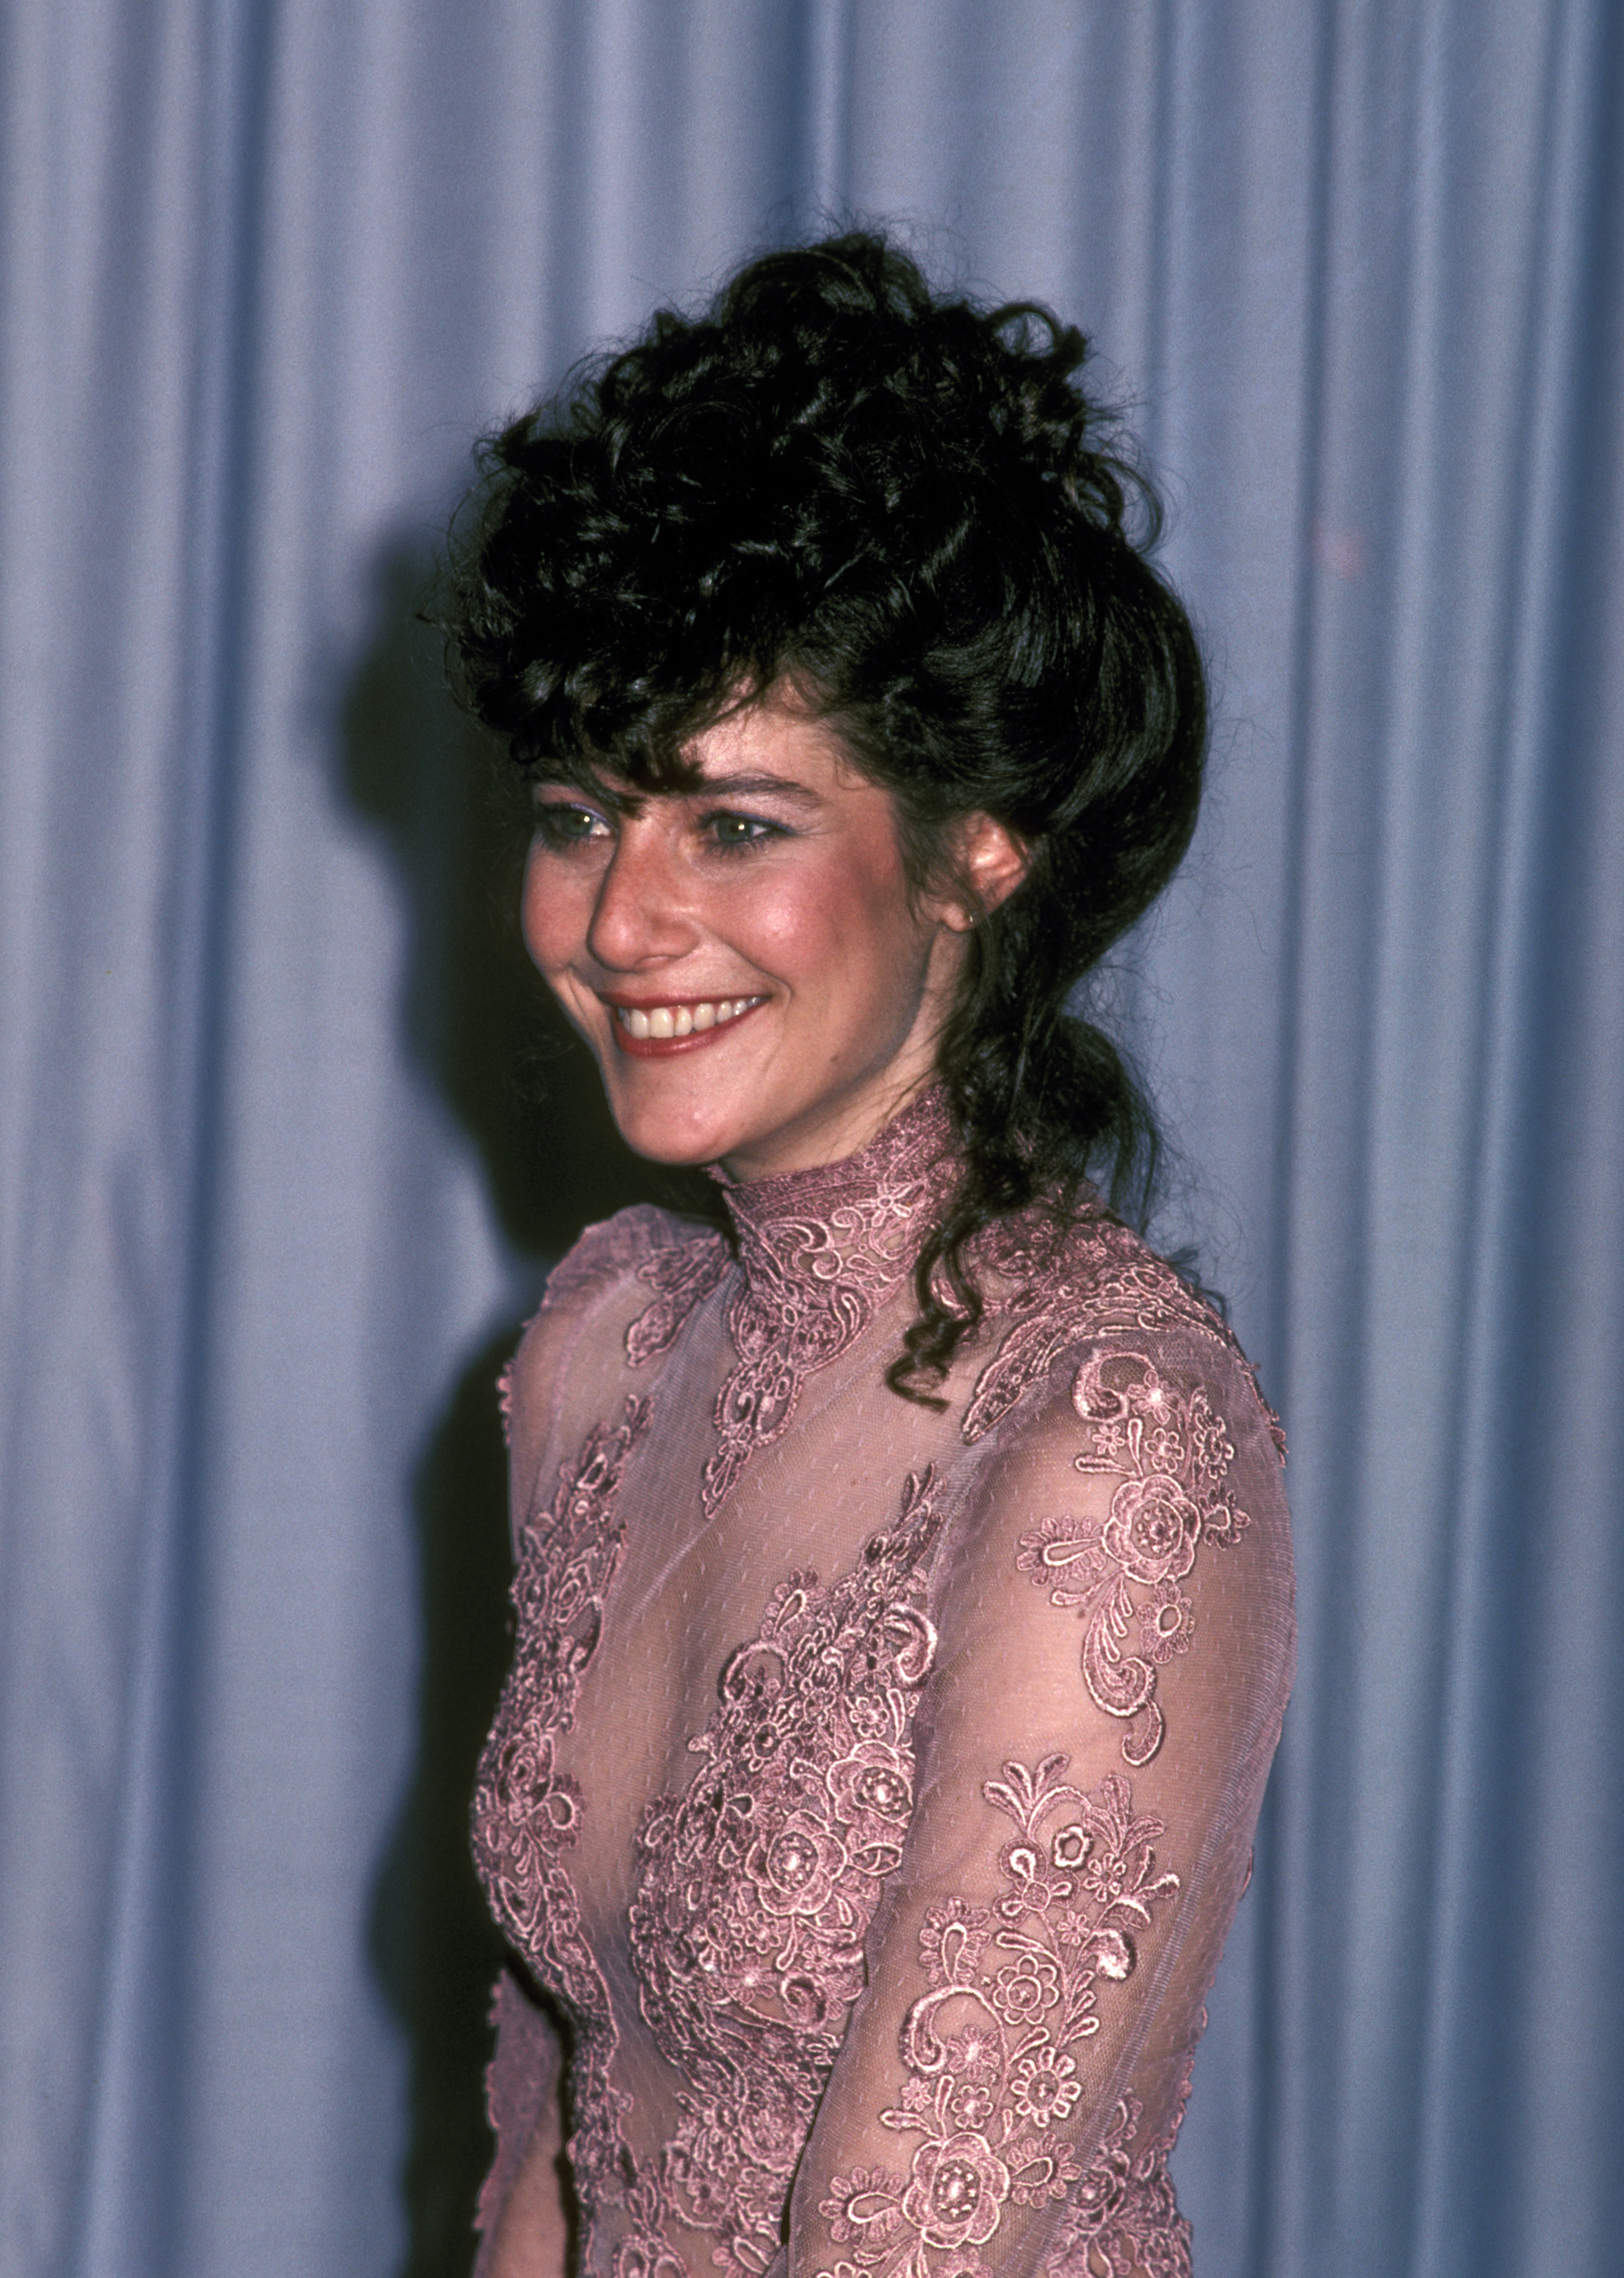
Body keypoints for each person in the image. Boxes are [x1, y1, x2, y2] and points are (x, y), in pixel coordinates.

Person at [441, 231, 1294, 2278]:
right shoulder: (609, 1344)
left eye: (730, 824)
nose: (617, 921)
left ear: (973, 843)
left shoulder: (1108, 1431)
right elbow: (555, 2113)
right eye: (579, 810)